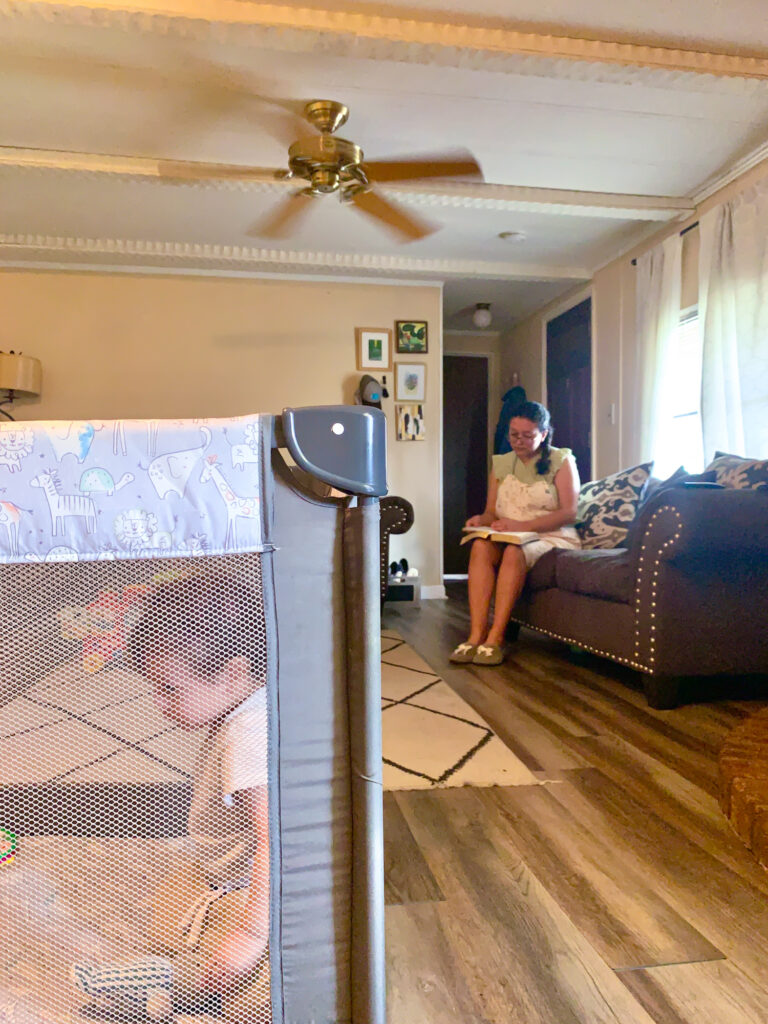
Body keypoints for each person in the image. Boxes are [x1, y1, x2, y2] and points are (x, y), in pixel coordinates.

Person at [72, 573, 271, 1021]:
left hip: (246, 889)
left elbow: (271, 838)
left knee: (234, 969)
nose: (159, 704)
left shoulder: (248, 735)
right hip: (216, 872)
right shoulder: (245, 708)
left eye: (170, 689)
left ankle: (167, 987)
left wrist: (253, 932)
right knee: (167, 901)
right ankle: (160, 974)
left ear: (232, 675)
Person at [450, 401, 580, 666]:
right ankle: (476, 634)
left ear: (543, 434)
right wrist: (481, 520)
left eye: (527, 435)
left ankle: (496, 638)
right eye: (513, 434)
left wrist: (522, 526)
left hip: (549, 534)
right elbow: (491, 511)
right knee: (480, 547)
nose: (518, 441)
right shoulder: (501, 463)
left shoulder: (561, 461)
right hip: (509, 531)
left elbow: (569, 513)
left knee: (513, 552)